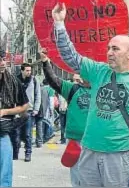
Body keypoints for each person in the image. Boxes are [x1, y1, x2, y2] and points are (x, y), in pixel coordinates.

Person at [52, 3, 129, 186]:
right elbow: (70, 56)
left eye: (115, 49)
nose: (109, 53)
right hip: (88, 151)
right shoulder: (99, 72)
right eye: (109, 48)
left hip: (119, 156)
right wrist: (59, 24)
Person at [40, 49, 91, 186]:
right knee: (76, 177)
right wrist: (45, 61)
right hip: (75, 141)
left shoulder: (101, 90)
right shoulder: (73, 89)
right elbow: (54, 81)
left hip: (95, 141)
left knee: (93, 178)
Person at [0, 48, 29, 187]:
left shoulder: (13, 82)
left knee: (5, 175)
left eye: (3, 59)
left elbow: (25, 107)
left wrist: (5, 112)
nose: (2, 63)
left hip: (2, 134)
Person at [13, 63, 41, 162]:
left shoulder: (34, 80)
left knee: (28, 134)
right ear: (22, 70)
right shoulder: (15, 80)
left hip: (29, 111)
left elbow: (38, 95)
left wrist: (36, 109)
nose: (29, 72)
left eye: (30, 70)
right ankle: (15, 153)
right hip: (17, 110)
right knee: (16, 133)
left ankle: (28, 153)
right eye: (27, 70)